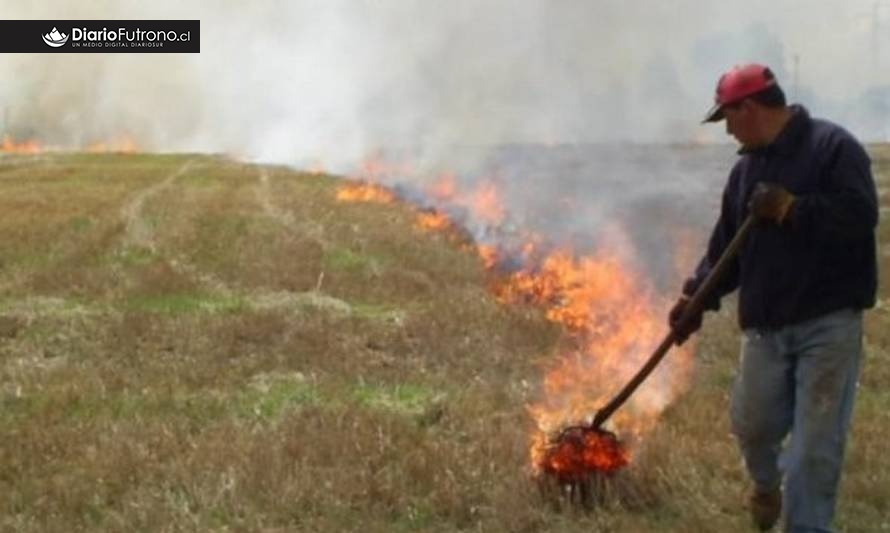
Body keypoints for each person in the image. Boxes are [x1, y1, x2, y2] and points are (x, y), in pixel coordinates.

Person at [669, 63, 878, 532]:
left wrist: (791, 208)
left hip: (828, 325)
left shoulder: (832, 147)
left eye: (728, 117)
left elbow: (860, 216)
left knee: (812, 452)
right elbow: (726, 251)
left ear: (751, 107)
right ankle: (766, 486)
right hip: (765, 330)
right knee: (753, 428)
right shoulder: (745, 171)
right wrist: (694, 301)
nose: (727, 130)